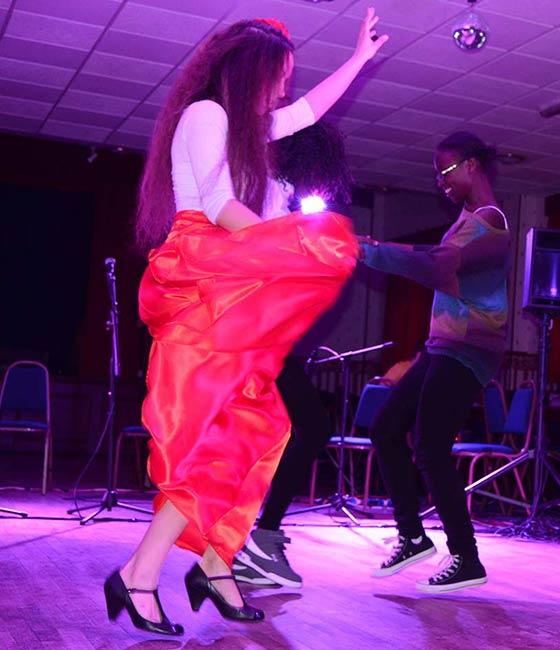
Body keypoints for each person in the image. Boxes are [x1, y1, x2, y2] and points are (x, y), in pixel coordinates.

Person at [104, 13, 386, 636]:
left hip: (225, 276)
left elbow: (307, 112)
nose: (284, 90)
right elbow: (218, 207)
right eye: (279, 77)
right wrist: (288, 247)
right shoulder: (207, 115)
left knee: (256, 427)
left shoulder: (241, 125)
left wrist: (358, 60)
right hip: (204, 276)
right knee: (213, 438)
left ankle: (213, 562)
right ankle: (141, 574)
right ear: (250, 71)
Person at [358, 132, 511, 593]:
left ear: (472, 166)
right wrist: (373, 247)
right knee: (386, 427)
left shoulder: (493, 224)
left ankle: (466, 558)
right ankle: (412, 536)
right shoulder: (467, 220)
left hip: (470, 348)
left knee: (429, 446)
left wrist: (371, 250)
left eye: (445, 171)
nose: (440, 182)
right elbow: (437, 263)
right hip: (443, 346)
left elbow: (438, 266)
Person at [232, 121, 355, 590]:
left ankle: (254, 540)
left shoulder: (280, 193)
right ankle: (254, 540)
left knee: (283, 432)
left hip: (268, 334)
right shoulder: (269, 192)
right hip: (258, 333)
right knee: (301, 429)